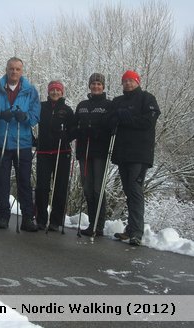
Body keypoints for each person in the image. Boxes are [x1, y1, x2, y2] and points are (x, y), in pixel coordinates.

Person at [0, 57, 40, 232]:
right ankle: (3, 216)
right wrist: (1, 114)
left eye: (17, 69)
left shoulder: (31, 91)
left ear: (22, 71)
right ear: (6, 69)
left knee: (24, 181)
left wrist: (26, 117)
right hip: (2, 142)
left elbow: (35, 115)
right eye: (11, 69)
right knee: (2, 181)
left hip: (22, 142)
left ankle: (28, 218)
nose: (14, 72)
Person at [110, 70, 160, 246]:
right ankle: (130, 229)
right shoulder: (118, 101)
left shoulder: (147, 98)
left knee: (135, 189)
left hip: (140, 154)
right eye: (125, 81)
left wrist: (127, 118)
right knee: (128, 190)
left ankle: (137, 232)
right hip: (123, 153)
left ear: (137, 82)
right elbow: (111, 120)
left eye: (131, 81)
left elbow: (148, 122)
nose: (128, 84)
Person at [73, 73, 111, 237]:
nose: (96, 86)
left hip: (100, 152)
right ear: (89, 86)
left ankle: (99, 225)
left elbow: (110, 126)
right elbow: (74, 126)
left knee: (97, 189)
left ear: (103, 86)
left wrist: (98, 132)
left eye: (99, 84)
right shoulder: (82, 105)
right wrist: (80, 131)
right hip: (84, 152)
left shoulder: (108, 105)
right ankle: (91, 224)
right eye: (93, 83)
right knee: (88, 189)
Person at [35, 81, 74, 231]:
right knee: (42, 188)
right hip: (43, 152)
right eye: (52, 90)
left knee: (60, 188)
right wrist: (34, 140)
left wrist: (66, 136)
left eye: (58, 90)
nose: (55, 92)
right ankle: (40, 219)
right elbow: (31, 120)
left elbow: (74, 129)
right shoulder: (41, 107)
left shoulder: (67, 110)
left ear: (62, 92)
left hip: (61, 153)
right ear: (48, 91)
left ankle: (56, 221)